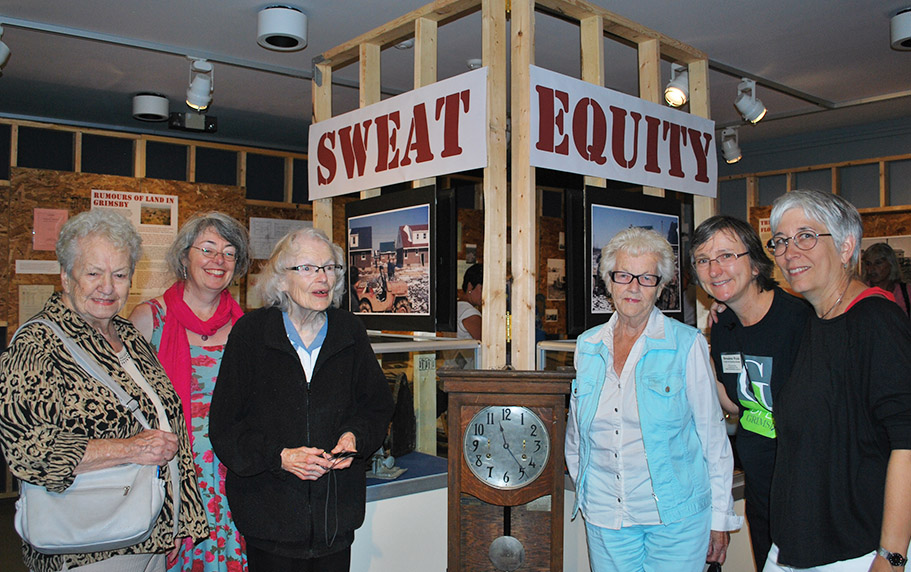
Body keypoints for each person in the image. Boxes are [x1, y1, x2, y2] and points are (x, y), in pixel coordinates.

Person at [0, 210, 208, 572]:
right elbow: (27, 449)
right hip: (84, 546)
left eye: (120, 274)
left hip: (147, 534)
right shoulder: (37, 344)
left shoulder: (128, 336)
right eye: (93, 273)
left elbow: (166, 425)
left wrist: (176, 522)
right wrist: (129, 449)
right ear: (66, 276)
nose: (107, 287)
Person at [209, 228, 394, 572]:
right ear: (281, 280)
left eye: (330, 267)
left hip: (334, 520)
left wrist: (355, 437)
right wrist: (280, 457)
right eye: (308, 268)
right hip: (269, 520)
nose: (323, 277)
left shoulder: (349, 331)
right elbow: (225, 427)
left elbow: (376, 406)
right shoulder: (251, 334)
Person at [565, 227, 741, 572]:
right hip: (606, 518)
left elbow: (712, 435)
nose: (633, 287)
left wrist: (720, 516)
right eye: (623, 275)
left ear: (660, 287)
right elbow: (577, 436)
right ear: (608, 281)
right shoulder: (587, 346)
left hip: (675, 519)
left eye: (646, 278)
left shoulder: (686, 344)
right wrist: (588, 491)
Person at [764, 189, 911, 571]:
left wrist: (892, 556)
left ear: (846, 247)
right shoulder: (815, 320)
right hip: (796, 547)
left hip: (856, 554)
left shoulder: (876, 322)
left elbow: (908, 441)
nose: (788, 252)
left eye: (806, 236)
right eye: (780, 241)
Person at [129, 211, 251, 572]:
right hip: (170, 477)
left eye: (230, 253)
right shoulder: (148, 320)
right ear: (184, 256)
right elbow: (128, 412)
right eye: (209, 249)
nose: (219, 261)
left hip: (232, 476)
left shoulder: (246, 328)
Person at [691, 215, 812, 571]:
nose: (714, 269)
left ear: (756, 263)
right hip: (762, 494)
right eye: (703, 260)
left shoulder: (801, 319)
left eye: (726, 256)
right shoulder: (724, 326)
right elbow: (734, 403)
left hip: (808, 496)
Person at [862, 242, 910, 318]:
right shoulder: (861, 291)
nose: (871, 269)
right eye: (868, 264)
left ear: (891, 264)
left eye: (878, 263)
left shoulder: (906, 292)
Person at [457, 263, 483, 341]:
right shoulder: (470, 313)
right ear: (470, 286)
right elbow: (488, 345)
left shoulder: (458, 307)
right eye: (482, 289)